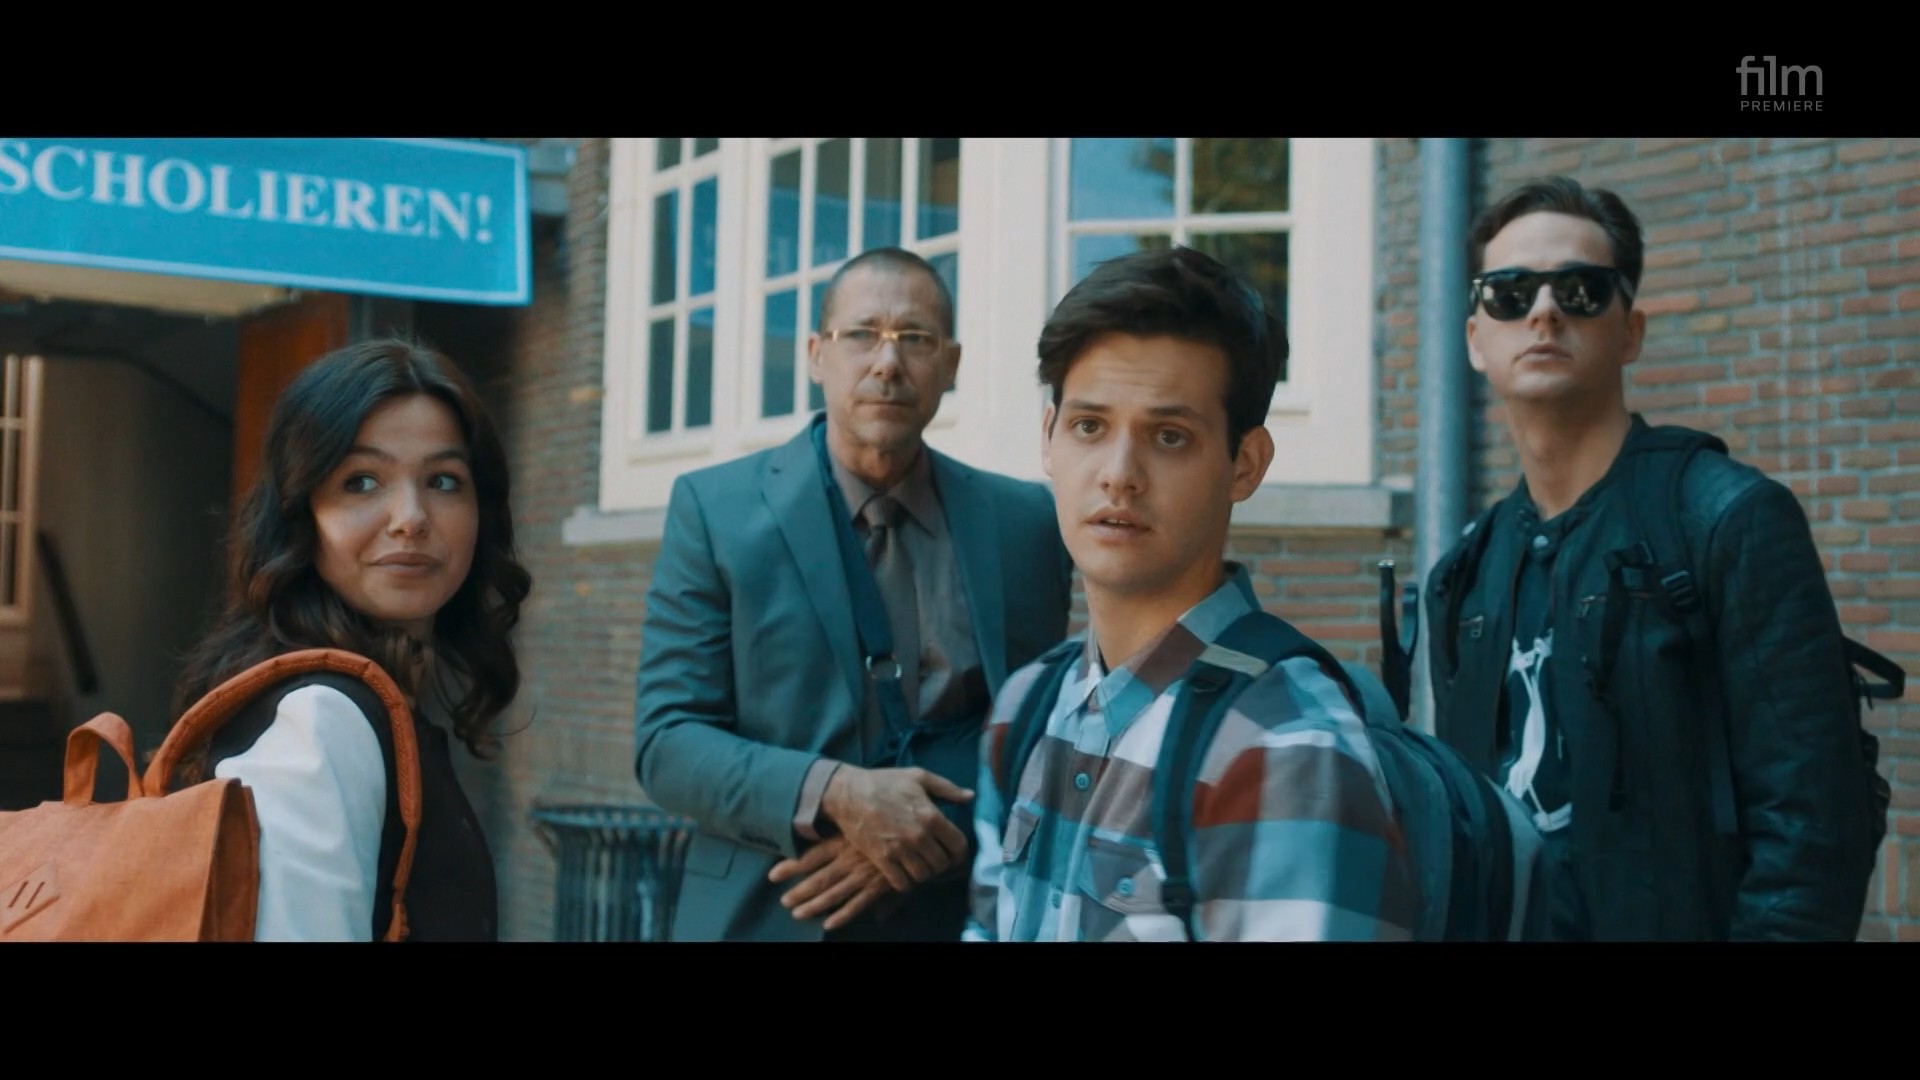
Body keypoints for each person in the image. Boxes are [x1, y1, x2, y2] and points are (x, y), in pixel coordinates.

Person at [1424, 175, 1878, 940]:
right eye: (1509, 293)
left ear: (1629, 331)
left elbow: (1812, 834)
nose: (1544, 312)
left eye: (1581, 290)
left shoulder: (1728, 519)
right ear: (1475, 338)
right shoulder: (1465, 571)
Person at [966, 245, 1419, 942]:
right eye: (1089, 426)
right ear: (1049, 439)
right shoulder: (1024, 709)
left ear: (1245, 464)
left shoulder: (1285, 748)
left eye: (1169, 436)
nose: (1119, 473)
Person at [632, 246, 1075, 941]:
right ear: (816, 354)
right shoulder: (713, 511)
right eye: (862, 334)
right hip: (771, 912)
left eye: (915, 338)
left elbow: (1039, 732)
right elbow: (666, 744)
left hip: (960, 911)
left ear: (951, 364)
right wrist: (837, 792)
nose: (888, 362)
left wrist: (928, 828)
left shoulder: (1025, 523)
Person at [169, 337, 531, 942]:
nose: (411, 517)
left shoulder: (379, 704)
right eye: (361, 481)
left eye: (444, 481)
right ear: (301, 514)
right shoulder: (323, 718)